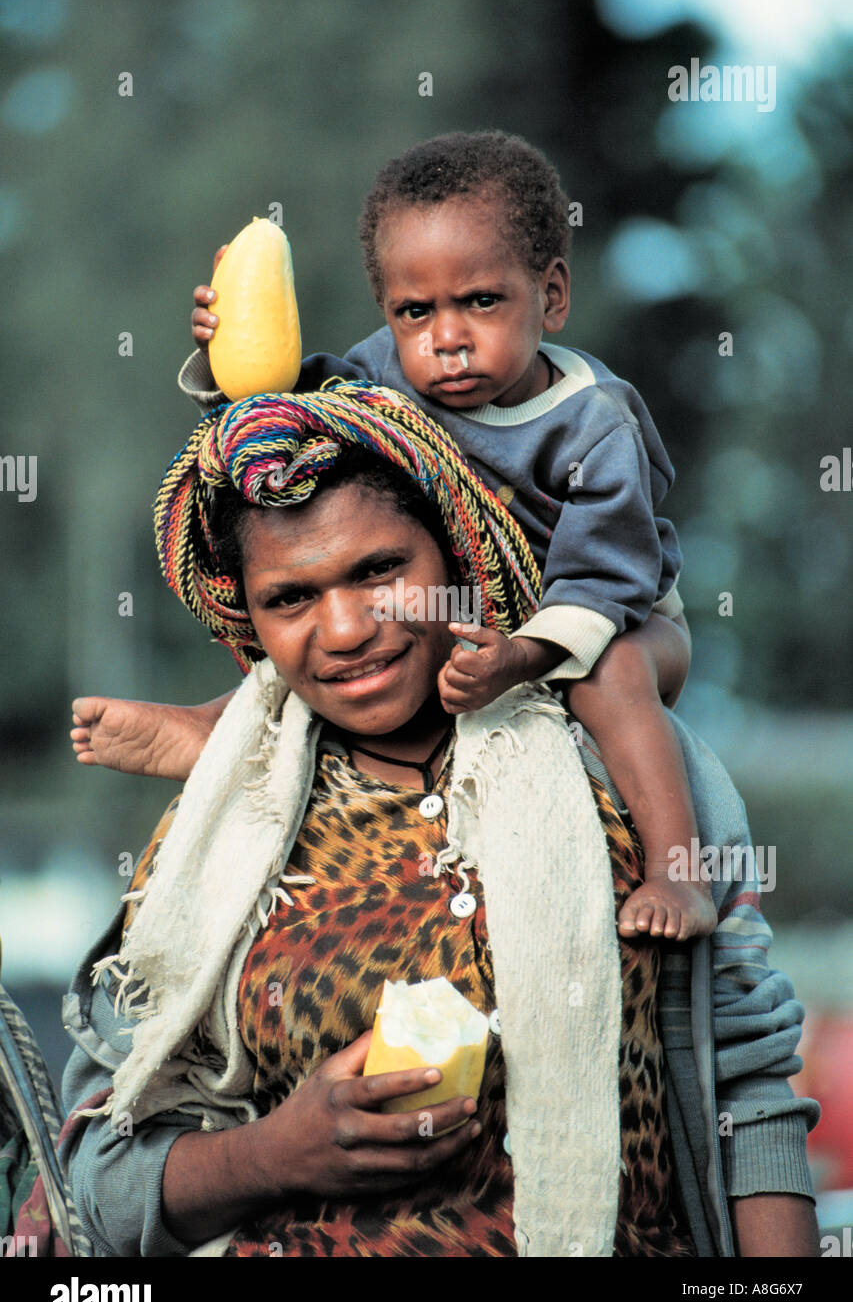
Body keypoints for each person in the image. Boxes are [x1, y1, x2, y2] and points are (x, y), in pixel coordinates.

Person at [61, 383, 819, 1257]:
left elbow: (748, 1086)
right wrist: (272, 1155)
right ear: (250, 617)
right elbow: (97, 1184)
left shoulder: (630, 768)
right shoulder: (217, 831)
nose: (343, 631)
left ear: (456, 557)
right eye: (290, 599)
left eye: (380, 572)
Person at [71, 130, 716, 943]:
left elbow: (606, 582)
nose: (445, 337)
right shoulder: (389, 371)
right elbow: (290, 424)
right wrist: (220, 359)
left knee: (613, 675)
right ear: (389, 312)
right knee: (332, 638)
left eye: (481, 302)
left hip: (614, 610)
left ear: (550, 295)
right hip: (478, 601)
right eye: (416, 311)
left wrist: (523, 656)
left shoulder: (592, 426)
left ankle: (674, 868)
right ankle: (223, 724)